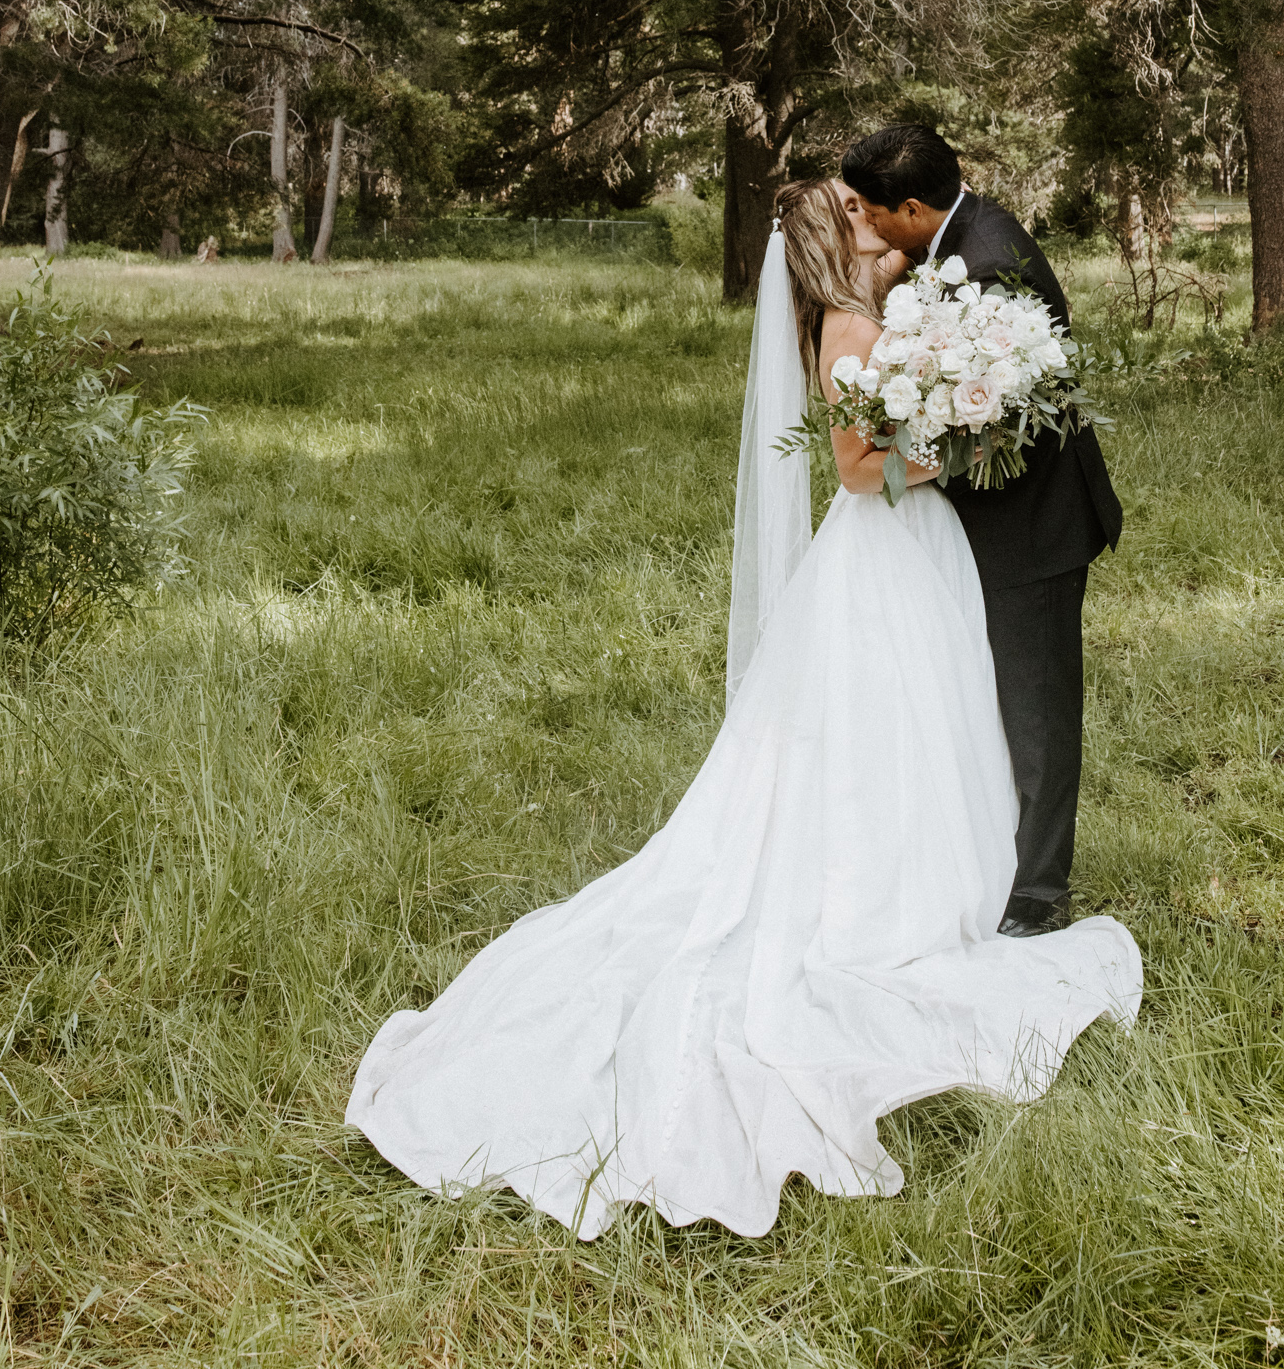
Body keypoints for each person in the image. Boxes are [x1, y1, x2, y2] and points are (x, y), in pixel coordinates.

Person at [346, 177, 1140, 1240]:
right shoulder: (854, 327)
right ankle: (896, 892)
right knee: (882, 725)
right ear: (835, 240)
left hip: (909, 558)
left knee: (905, 724)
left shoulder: (866, 315)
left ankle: (938, 864)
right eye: (857, 217)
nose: (875, 224)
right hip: (888, 549)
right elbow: (859, 472)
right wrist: (958, 434)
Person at [840, 125, 1123, 940]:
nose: (864, 223)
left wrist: (904, 448)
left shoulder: (991, 262)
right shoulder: (949, 239)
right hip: (977, 525)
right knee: (983, 701)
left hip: (1030, 528)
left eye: (869, 210)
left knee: (1034, 712)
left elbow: (1004, 428)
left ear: (914, 206)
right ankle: (982, 856)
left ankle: (1037, 891)